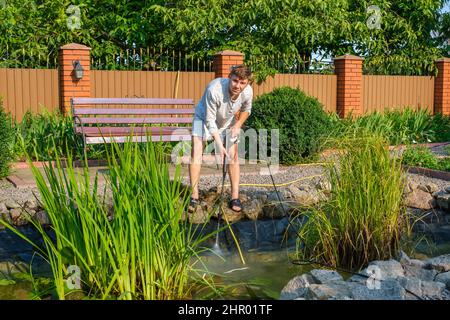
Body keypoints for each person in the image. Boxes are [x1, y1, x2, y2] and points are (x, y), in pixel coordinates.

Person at [189, 65, 253, 213]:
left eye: (242, 83)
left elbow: (246, 110)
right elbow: (210, 121)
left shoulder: (248, 91)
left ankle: (234, 197)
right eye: (235, 81)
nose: (238, 86)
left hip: (228, 121)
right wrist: (219, 144)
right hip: (204, 119)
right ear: (229, 77)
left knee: (233, 156)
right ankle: (194, 196)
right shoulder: (215, 89)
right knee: (197, 152)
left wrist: (237, 125)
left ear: (247, 82)